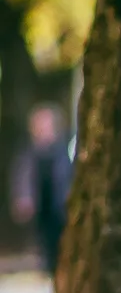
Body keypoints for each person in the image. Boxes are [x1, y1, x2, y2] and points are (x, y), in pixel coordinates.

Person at [9, 104, 73, 275]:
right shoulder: (28, 155)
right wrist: (23, 199)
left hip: (61, 207)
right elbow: (22, 179)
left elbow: (69, 178)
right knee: (45, 243)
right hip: (41, 210)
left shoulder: (66, 151)